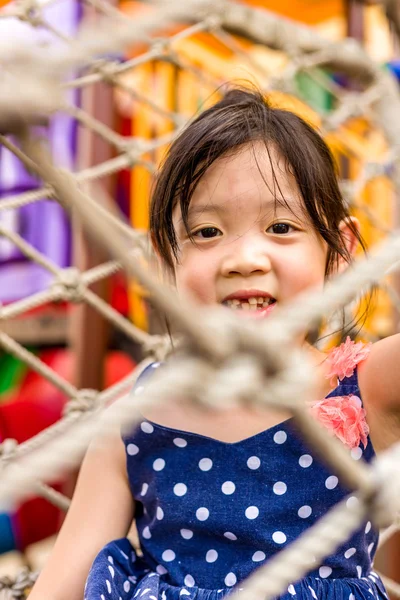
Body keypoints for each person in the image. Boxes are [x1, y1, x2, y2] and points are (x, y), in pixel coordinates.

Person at [29, 87, 400, 600]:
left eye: (280, 226)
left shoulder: (366, 383)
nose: (244, 258)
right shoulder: (132, 417)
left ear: (338, 255)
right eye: (206, 232)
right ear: (166, 262)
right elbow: (61, 584)